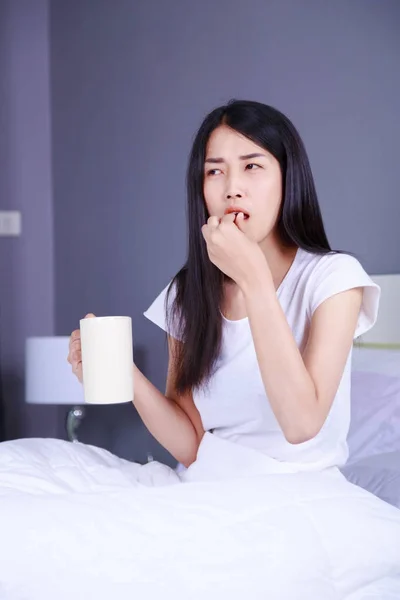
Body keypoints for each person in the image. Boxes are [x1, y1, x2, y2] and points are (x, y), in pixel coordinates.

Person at [68, 99, 379, 474]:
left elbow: (301, 425)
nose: (232, 188)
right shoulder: (187, 292)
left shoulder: (335, 278)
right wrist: (126, 375)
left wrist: (254, 280)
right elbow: (191, 446)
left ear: (287, 177)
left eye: (252, 166)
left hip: (300, 492)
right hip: (207, 488)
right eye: (214, 172)